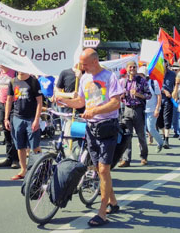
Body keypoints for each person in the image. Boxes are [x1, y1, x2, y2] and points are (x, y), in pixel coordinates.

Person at [56, 49, 124, 227]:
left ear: (94, 61)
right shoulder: (85, 78)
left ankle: (102, 213)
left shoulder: (110, 77)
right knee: (99, 169)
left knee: (102, 170)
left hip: (107, 126)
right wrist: (63, 101)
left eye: (84, 63)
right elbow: (80, 102)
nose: (81, 66)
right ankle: (114, 202)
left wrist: (95, 111)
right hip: (91, 128)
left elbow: (116, 102)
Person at [4, 70, 43, 181]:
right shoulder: (13, 82)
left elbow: (39, 102)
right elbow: (9, 100)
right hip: (17, 118)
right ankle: (23, 170)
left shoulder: (34, 81)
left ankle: (39, 168)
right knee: (20, 146)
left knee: (34, 146)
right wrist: (6, 118)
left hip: (31, 118)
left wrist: (36, 119)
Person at [118, 61, 151, 167]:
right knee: (127, 135)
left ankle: (144, 156)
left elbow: (148, 95)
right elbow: (118, 95)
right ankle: (126, 159)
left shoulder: (142, 80)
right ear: (127, 69)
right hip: (127, 109)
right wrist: (122, 95)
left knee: (141, 135)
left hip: (138, 109)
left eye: (134, 67)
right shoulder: (123, 82)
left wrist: (138, 94)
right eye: (130, 67)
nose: (132, 69)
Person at [0, 65, 19, 169]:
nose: (1, 64)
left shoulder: (14, 72)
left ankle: (16, 159)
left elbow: (18, 89)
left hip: (13, 105)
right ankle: (9, 157)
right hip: (1, 104)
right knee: (6, 132)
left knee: (14, 132)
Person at [140, 66, 164, 154]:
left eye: (141, 75)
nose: (139, 76)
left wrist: (157, 108)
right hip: (142, 109)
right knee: (143, 129)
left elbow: (159, 96)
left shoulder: (154, 83)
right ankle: (142, 147)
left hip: (152, 109)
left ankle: (160, 142)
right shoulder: (139, 83)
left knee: (150, 128)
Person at [159, 60, 177, 149]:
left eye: (164, 63)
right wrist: (163, 90)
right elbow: (154, 85)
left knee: (167, 119)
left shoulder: (172, 74)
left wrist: (174, 93)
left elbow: (176, 86)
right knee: (159, 121)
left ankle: (166, 140)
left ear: (166, 64)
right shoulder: (157, 73)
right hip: (158, 100)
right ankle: (163, 136)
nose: (163, 64)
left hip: (168, 100)